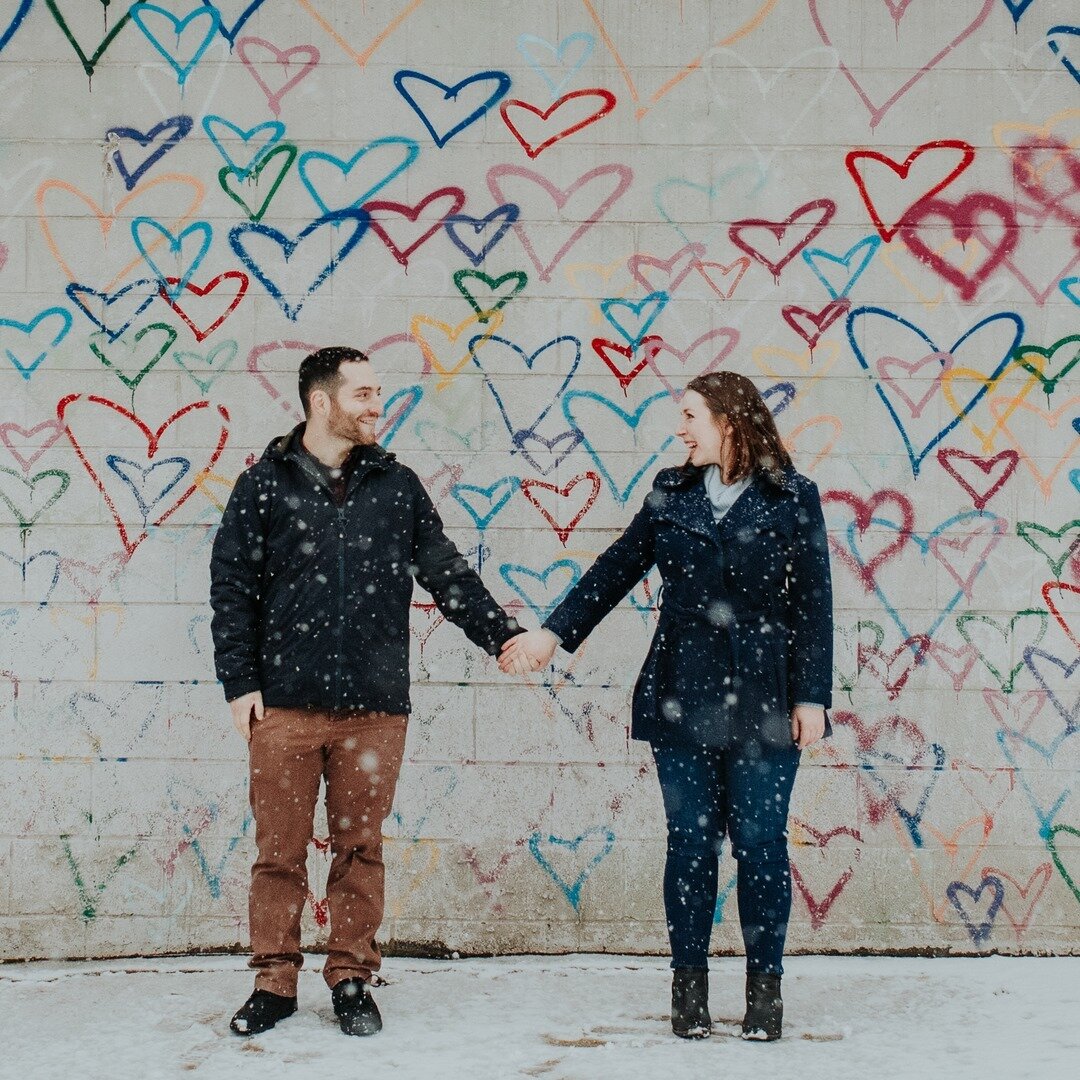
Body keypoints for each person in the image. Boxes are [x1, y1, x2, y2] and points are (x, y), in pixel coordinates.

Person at [500, 370, 833, 1042]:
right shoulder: (670, 495)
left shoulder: (793, 498)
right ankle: (690, 991)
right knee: (690, 845)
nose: (680, 430)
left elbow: (814, 602)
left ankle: (765, 993)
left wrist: (812, 697)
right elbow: (615, 569)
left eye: (690, 417)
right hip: (680, 693)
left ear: (730, 422)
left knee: (762, 846)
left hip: (766, 696)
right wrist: (551, 632)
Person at [210, 346, 525, 1037]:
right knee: (279, 853)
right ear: (320, 402)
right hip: (285, 706)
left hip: (375, 706)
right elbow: (231, 590)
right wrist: (240, 684)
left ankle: (351, 976)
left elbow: (446, 574)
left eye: (378, 392)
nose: (376, 405)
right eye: (362, 394)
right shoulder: (264, 485)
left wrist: (500, 636)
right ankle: (275, 980)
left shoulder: (397, 486)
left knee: (360, 848)